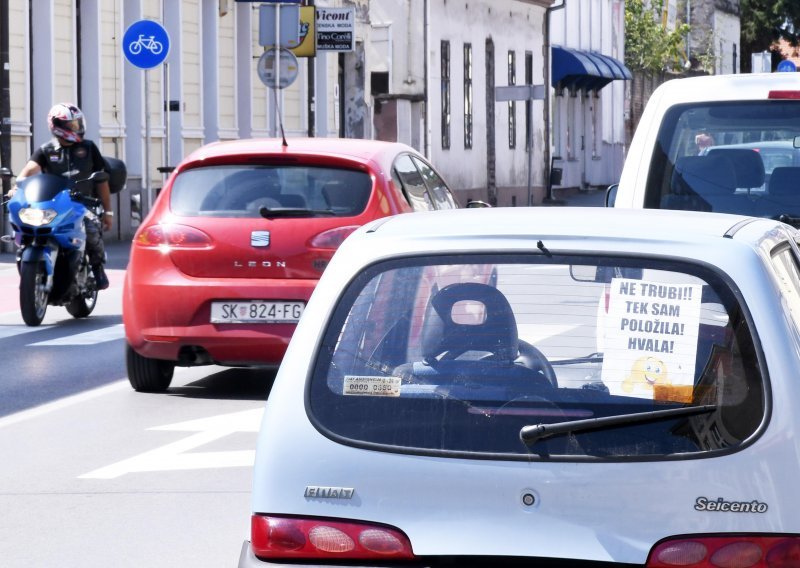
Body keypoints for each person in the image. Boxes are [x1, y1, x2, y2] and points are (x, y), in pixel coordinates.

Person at [13, 103, 112, 290]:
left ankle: (98, 268)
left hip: (82, 204)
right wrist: (17, 186)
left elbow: (102, 181)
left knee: (90, 230)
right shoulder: (46, 150)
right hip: (53, 204)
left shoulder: (89, 148)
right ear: (57, 126)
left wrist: (109, 212)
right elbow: (29, 170)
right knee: (28, 229)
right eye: (71, 125)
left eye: (77, 123)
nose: (77, 128)